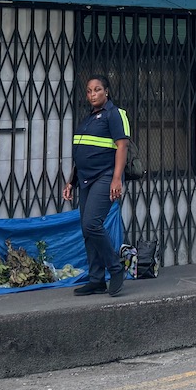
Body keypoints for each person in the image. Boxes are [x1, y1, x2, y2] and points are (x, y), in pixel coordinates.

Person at [63, 74, 129, 298]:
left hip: (105, 176)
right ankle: (96, 279)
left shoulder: (114, 114)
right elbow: (81, 153)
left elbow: (122, 146)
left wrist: (116, 178)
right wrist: (71, 182)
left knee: (92, 223)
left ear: (106, 91)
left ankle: (116, 267)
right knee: (87, 230)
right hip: (85, 180)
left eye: (97, 89)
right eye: (89, 91)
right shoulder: (88, 118)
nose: (92, 94)